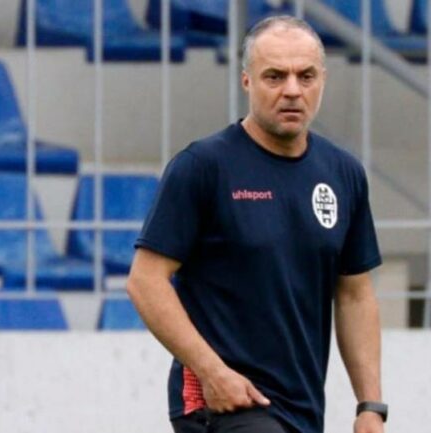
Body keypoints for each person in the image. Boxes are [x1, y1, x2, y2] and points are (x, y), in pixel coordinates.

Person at [127, 15, 386, 433]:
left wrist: (370, 406)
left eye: (306, 76)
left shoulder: (344, 174)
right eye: (274, 76)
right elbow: (145, 281)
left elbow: (355, 295)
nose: (292, 90)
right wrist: (212, 371)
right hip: (220, 402)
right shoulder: (203, 166)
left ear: (323, 80)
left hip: (301, 409)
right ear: (246, 81)